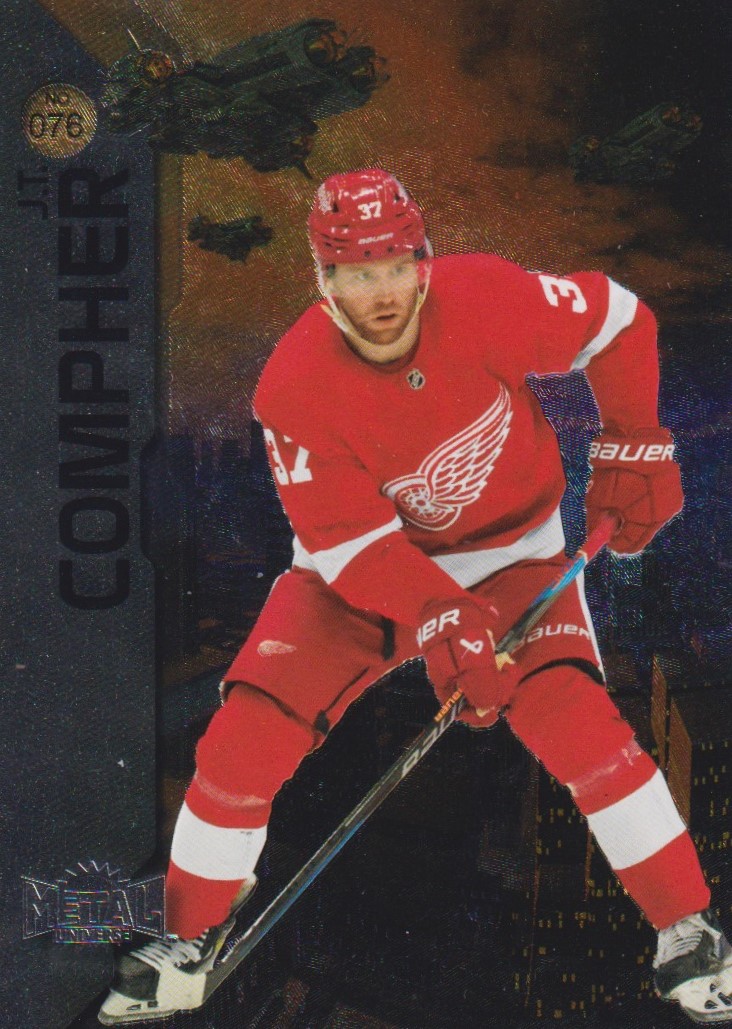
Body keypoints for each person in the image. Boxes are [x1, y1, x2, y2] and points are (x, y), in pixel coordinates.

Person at [100, 169, 732, 1025]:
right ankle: (189, 936)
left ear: (424, 260)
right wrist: (442, 616)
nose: (383, 292)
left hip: (513, 556)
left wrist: (635, 441)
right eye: (358, 273)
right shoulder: (292, 387)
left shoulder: (488, 296)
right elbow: (351, 544)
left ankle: (690, 932)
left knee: (580, 725)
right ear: (324, 280)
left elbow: (619, 320)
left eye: (397, 266)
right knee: (246, 736)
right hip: (361, 575)